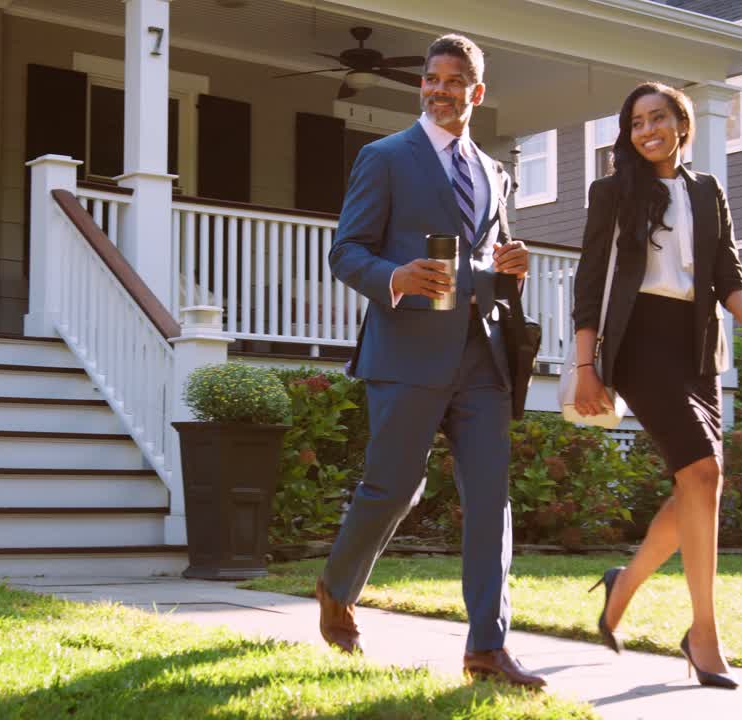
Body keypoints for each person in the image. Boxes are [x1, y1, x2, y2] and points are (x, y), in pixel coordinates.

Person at [316, 33, 545, 689]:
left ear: (476, 93)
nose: (440, 90)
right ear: (423, 85)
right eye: (431, 79)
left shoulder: (496, 173)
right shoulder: (384, 158)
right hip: (406, 351)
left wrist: (514, 270)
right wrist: (397, 277)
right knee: (393, 488)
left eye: (454, 82)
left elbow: (490, 264)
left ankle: (486, 648)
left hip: (483, 359)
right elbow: (347, 252)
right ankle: (337, 586)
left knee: (490, 499)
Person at [571, 82, 742, 690]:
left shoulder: (706, 190)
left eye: (658, 118)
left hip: (697, 348)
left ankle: (627, 582)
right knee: (701, 474)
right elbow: (590, 284)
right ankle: (704, 635)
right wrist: (588, 367)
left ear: (681, 125)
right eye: (636, 122)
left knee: (702, 482)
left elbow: (728, 274)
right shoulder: (612, 193)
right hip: (639, 344)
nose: (647, 131)